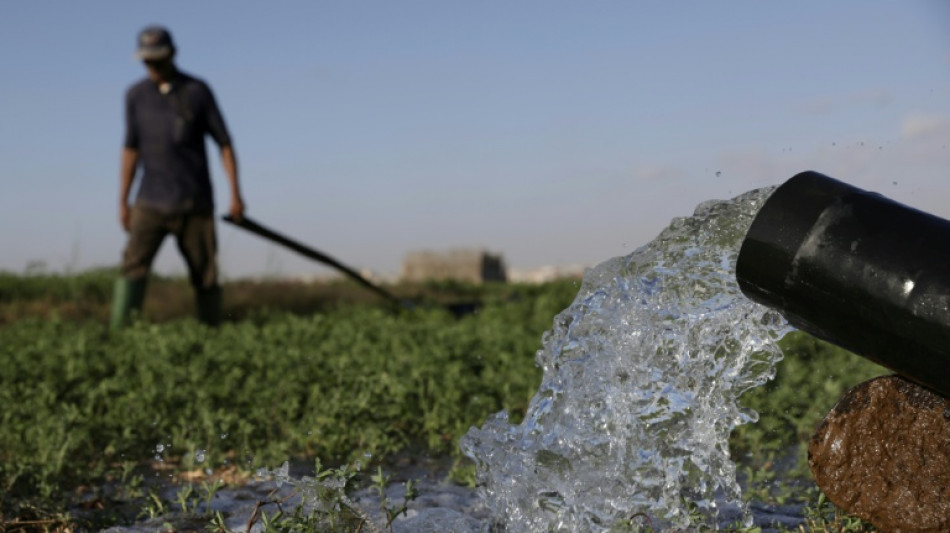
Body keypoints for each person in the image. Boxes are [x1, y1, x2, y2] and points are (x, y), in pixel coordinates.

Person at [111, 26, 245, 329]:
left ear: (172, 55)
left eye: (157, 61)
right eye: (147, 62)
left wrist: (235, 194)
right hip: (150, 201)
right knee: (132, 268)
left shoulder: (197, 91)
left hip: (194, 202)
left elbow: (224, 143)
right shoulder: (135, 96)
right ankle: (118, 339)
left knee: (205, 275)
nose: (152, 68)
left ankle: (212, 337)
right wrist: (122, 200)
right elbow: (130, 150)